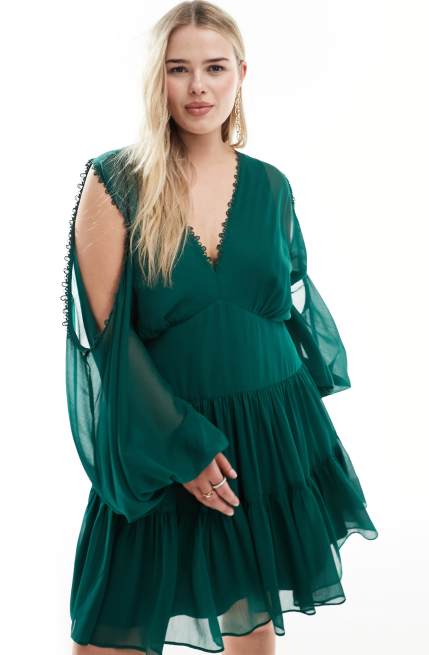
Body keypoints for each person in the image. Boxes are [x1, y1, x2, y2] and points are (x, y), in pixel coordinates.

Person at [63, 2, 378, 654]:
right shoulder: (116, 179)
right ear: (157, 78)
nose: (198, 87)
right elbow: (105, 332)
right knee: (105, 636)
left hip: (268, 429)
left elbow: (286, 304)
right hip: (160, 434)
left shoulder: (272, 186)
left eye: (214, 68)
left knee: (250, 624)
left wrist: (293, 425)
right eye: (178, 69)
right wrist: (179, 445)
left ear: (241, 74)